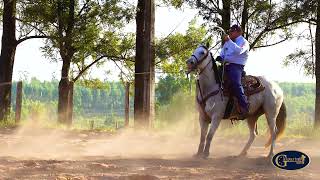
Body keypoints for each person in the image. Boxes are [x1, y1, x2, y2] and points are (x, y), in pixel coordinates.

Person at [216, 24, 250, 118]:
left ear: (239, 32)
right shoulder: (228, 42)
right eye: (230, 31)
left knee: (236, 84)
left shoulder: (244, 42)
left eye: (232, 31)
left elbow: (238, 51)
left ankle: (244, 105)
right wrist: (220, 57)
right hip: (225, 65)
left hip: (236, 66)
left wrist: (229, 41)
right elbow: (223, 53)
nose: (230, 33)